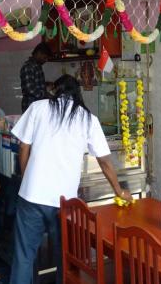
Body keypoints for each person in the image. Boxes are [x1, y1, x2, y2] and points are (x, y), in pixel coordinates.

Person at [9, 74, 133, 284]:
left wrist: (26, 178)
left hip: (31, 197)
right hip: (64, 202)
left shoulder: (38, 107)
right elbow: (104, 161)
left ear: (56, 90)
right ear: (78, 94)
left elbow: (23, 147)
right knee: (64, 257)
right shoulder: (88, 119)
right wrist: (119, 191)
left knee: (23, 257)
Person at [20, 42, 52, 113]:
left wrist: (46, 84)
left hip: (37, 105)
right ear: (38, 53)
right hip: (30, 106)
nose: (46, 60)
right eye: (45, 57)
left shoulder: (37, 66)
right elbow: (30, 89)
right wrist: (46, 94)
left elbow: (35, 84)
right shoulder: (28, 67)